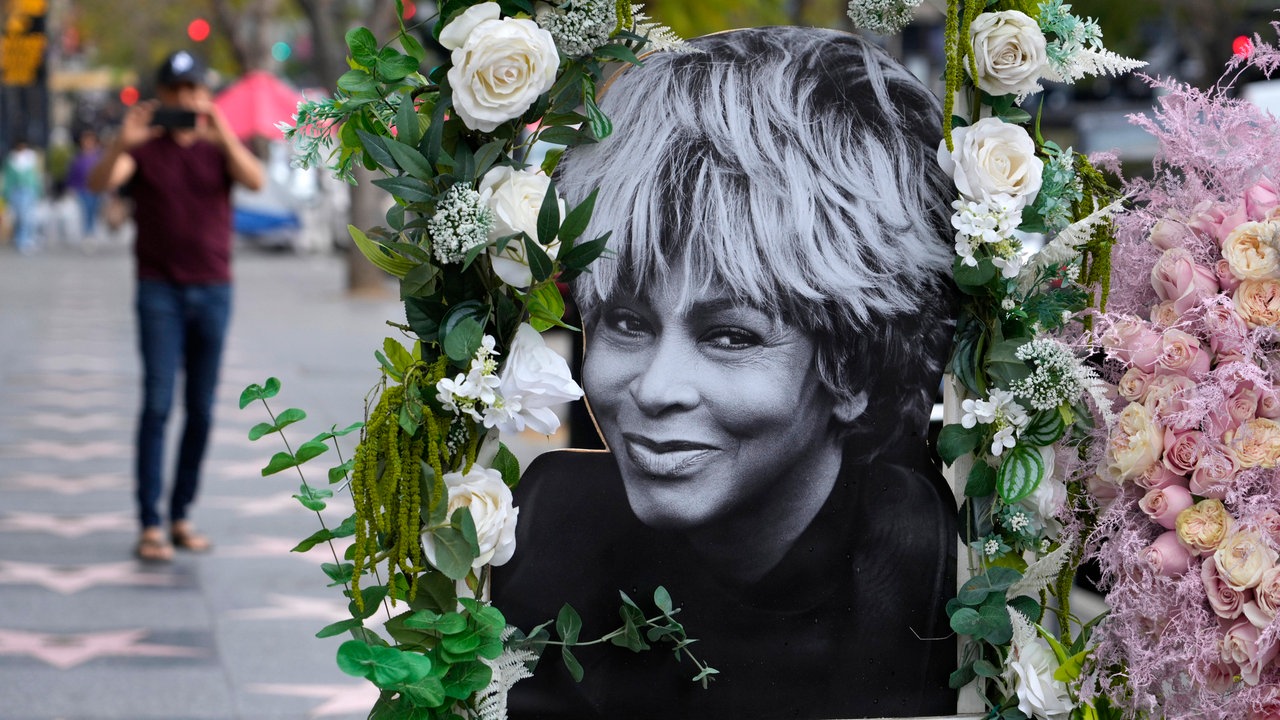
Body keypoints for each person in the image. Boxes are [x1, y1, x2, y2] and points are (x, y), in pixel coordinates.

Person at [492, 27, 960, 719]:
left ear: (852, 364)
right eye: (627, 321)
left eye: (730, 335)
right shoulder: (545, 529)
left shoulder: (928, 578)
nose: (656, 387)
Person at [88, 51, 264, 562]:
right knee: (159, 404)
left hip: (213, 289)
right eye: (177, 90)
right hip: (158, 291)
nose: (186, 99)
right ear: (161, 95)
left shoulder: (219, 148)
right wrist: (125, 137)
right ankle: (150, 523)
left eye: (194, 89)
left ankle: (181, 514)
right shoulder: (142, 150)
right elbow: (100, 182)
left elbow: (255, 181)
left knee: (203, 411)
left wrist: (223, 131)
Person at [3, 139, 44, 254]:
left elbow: (35, 177)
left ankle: (24, 240)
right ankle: (20, 239)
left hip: (28, 191)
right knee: (19, 217)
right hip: (16, 191)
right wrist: (6, 194)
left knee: (27, 217)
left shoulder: (31, 159)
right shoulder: (11, 159)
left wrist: (38, 191)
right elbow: (8, 179)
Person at [65, 129, 104, 244]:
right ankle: (87, 233)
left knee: (93, 211)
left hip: (96, 189)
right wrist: (71, 187)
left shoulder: (99, 156)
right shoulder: (78, 157)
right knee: (85, 211)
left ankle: (91, 232)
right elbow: (72, 173)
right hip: (82, 188)